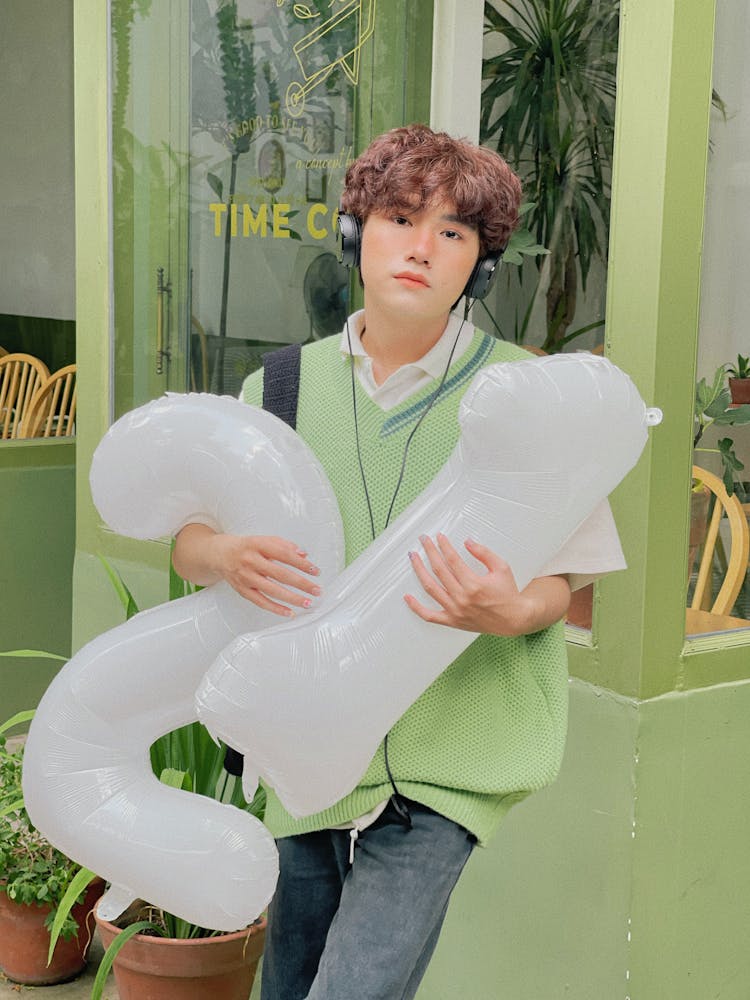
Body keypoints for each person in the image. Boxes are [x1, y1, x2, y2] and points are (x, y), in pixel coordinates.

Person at [172, 124, 625, 1000]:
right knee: (288, 985)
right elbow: (190, 542)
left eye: (454, 233)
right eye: (400, 218)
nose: (422, 248)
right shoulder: (275, 390)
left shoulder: (528, 395)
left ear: (480, 267)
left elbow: (567, 586)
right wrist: (226, 552)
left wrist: (507, 609)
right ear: (355, 231)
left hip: (445, 760)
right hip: (303, 749)